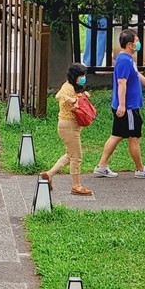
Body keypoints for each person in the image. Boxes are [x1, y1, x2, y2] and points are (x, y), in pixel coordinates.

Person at [94, 31, 145, 179]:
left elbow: (136, 75)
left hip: (128, 107)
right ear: (129, 44)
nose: (138, 43)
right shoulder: (124, 61)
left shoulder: (126, 58)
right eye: (136, 41)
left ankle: (102, 166)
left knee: (117, 135)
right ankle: (140, 170)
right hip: (129, 108)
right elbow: (122, 83)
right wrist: (122, 105)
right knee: (134, 137)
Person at [43, 64, 93, 196]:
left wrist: (82, 96)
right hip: (68, 126)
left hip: (72, 126)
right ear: (74, 76)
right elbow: (59, 95)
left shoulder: (73, 87)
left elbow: (77, 99)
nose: (83, 78)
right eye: (81, 76)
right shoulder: (67, 87)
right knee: (76, 157)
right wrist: (71, 99)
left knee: (70, 155)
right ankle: (76, 186)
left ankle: (49, 174)